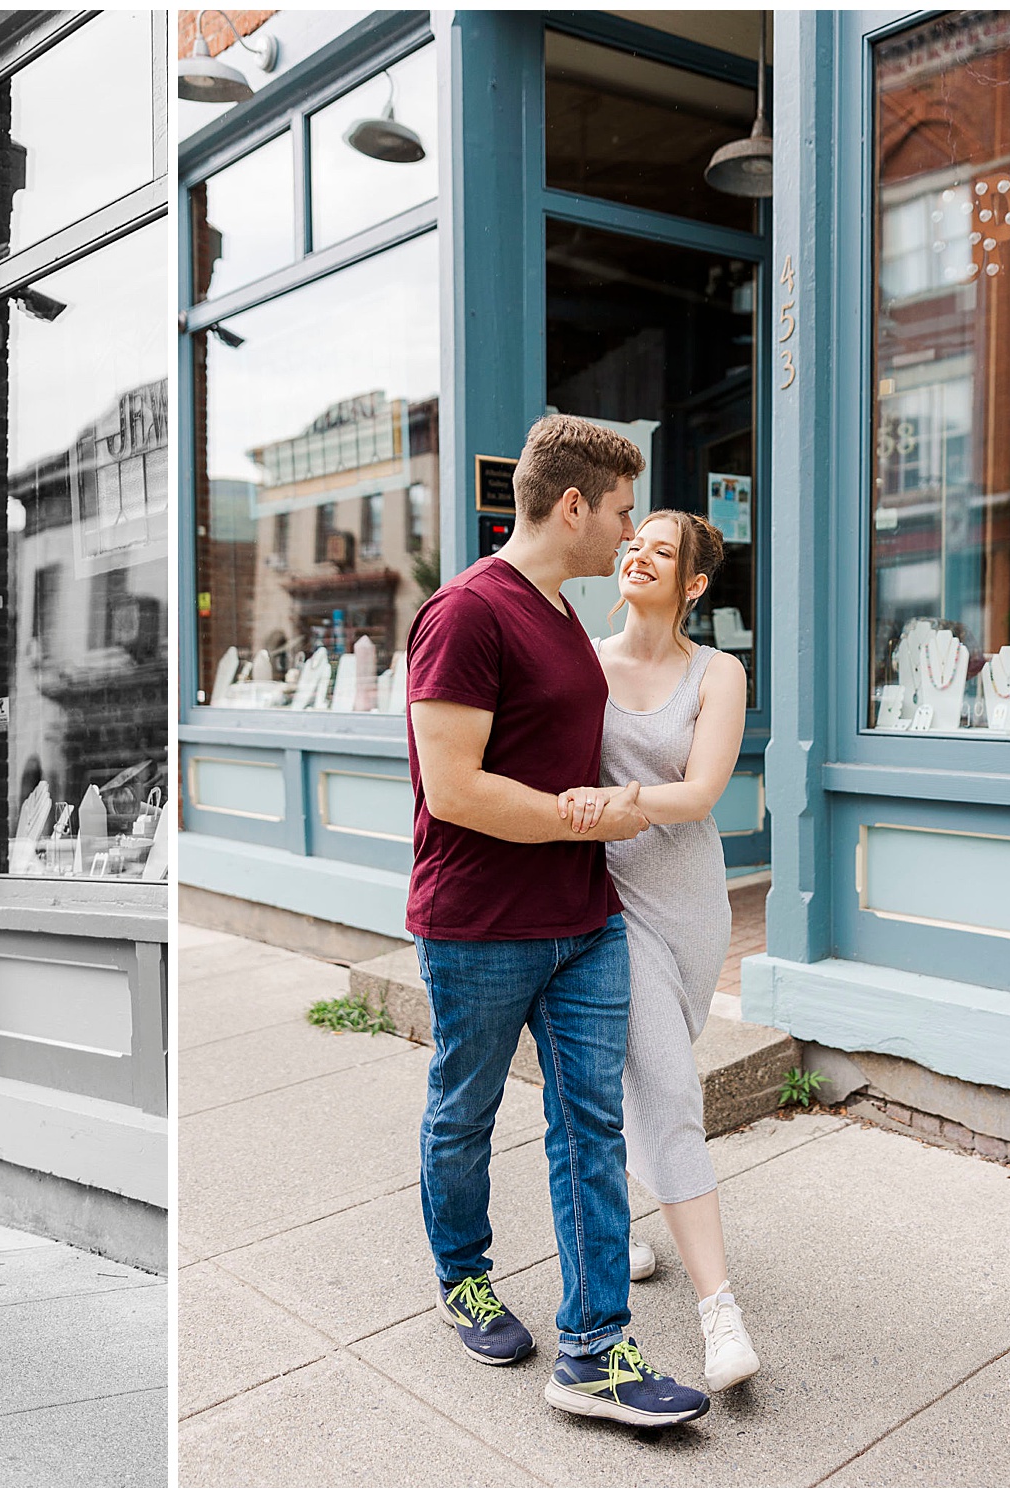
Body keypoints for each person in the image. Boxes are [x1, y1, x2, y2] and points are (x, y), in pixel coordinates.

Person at [405, 414, 710, 1428]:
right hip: (481, 925)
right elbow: (453, 790)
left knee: (588, 1125)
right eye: (622, 510)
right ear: (571, 504)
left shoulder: (563, 612)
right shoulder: (464, 613)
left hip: (585, 920)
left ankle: (593, 1349)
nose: (630, 533)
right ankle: (462, 1275)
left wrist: (613, 811)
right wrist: (579, 813)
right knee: (465, 1110)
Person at [557, 509, 760, 1393]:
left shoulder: (719, 672)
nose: (637, 553)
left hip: (691, 903)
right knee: (669, 1085)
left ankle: (622, 1222)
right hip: (610, 902)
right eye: (633, 542)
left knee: (650, 1070)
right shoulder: (580, 662)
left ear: (695, 585)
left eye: (663, 551)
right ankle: (720, 1314)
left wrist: (609, 802)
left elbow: (702, 790)